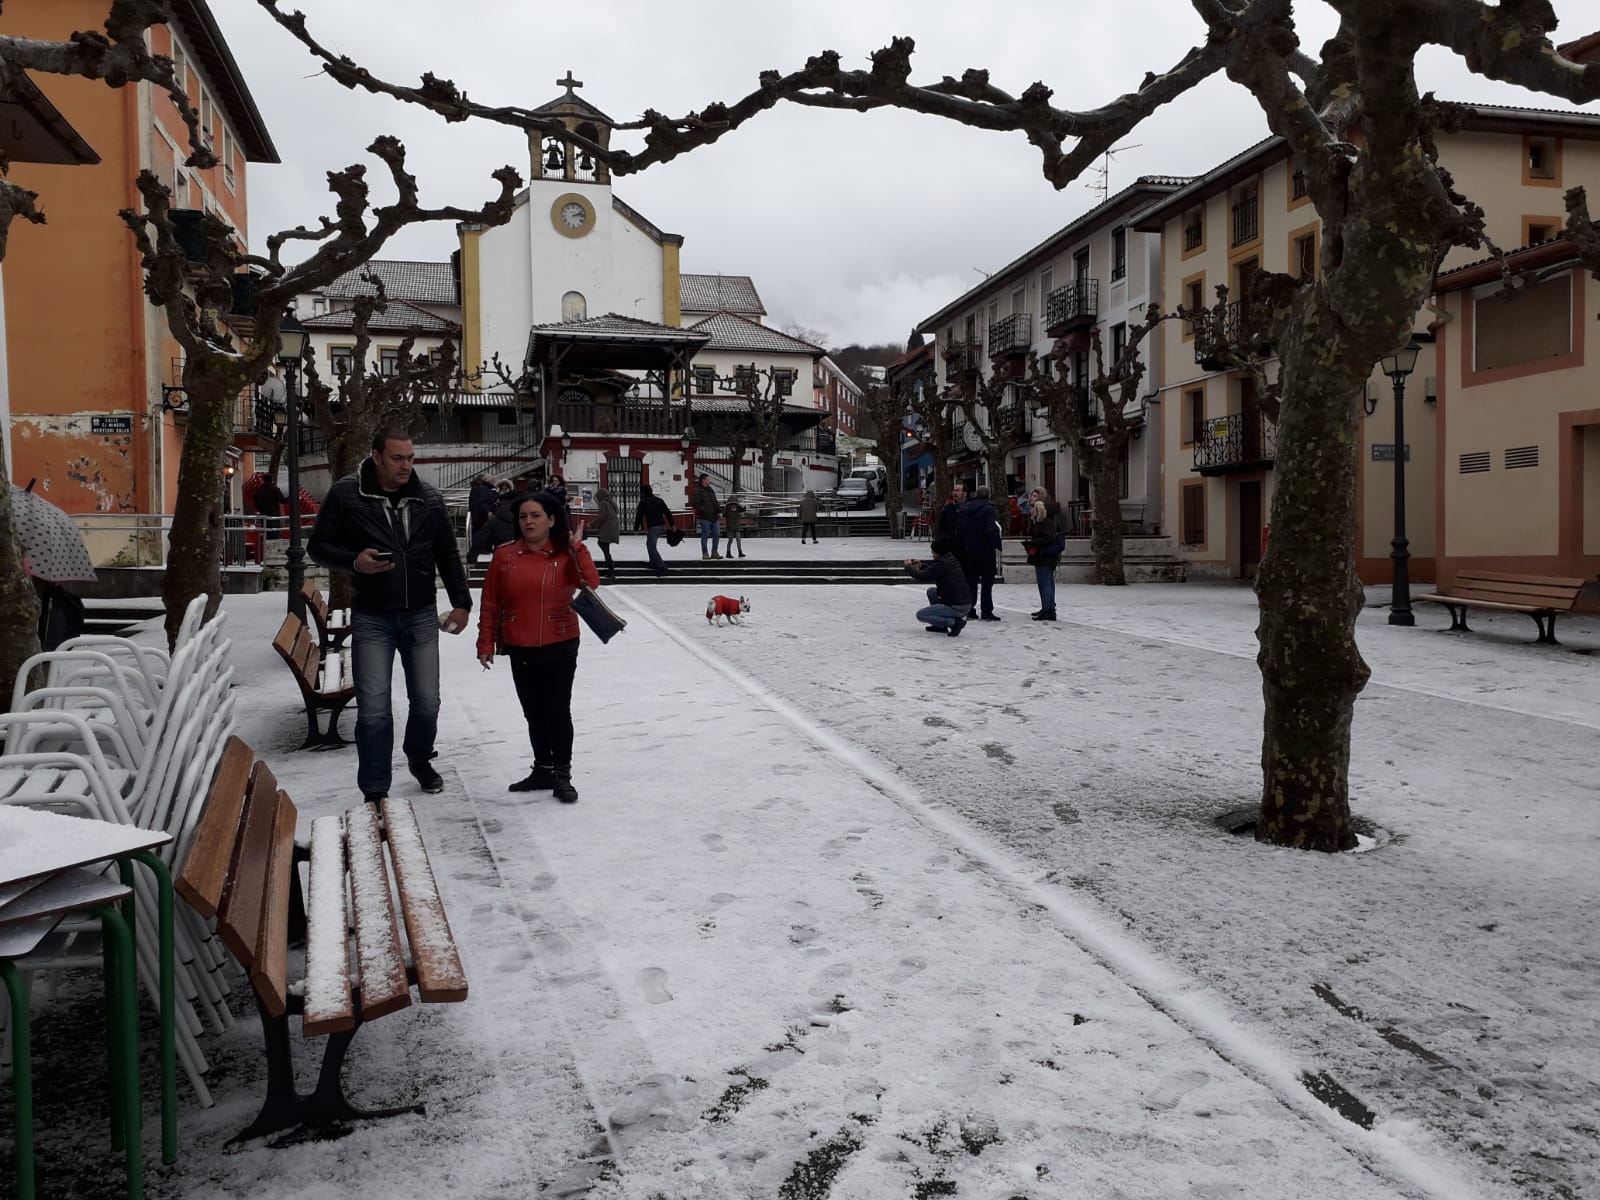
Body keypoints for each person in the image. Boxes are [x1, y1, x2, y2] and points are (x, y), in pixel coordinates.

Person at [308, 427, 472, 804]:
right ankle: (375, 788)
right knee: (374, 708)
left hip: (421, 615)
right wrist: (354, 562)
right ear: (377, 456)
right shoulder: (347, 494)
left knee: (428, 700)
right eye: (398, 458)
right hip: (372, 617)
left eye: (411, 458)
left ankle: (419, 758)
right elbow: (318, 546)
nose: (406, 465)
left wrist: (462, 603)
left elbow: (447, 554)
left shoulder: (428, 498)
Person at [476, 491, 599, 803]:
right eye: (523, 517)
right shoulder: (504, 556)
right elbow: (490, 602)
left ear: (551, 520)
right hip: (520, 643)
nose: (528, 522)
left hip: (561, 641)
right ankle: (542, 768)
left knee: (558, 710)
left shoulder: (565, 553)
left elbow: (591, 583)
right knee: (533, 711)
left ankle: (562, 774)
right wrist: (485, 641)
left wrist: (577, 547)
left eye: (535, 516)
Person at [903, 537, 973, 636]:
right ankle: (939, 626)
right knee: (932, 591)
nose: (932, 554)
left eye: (933, 552)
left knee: (921, 615)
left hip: (956, 606)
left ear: (938, 552)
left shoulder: (942, 564)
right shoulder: (950, 559)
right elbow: (934, 572)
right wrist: (921, 566)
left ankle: (953, 623)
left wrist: (908, 566)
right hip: (964, 603)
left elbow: (921, 576)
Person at [956, 484, 1003, 621]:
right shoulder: (988, 509)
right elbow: (990, 529)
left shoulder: (965, 508)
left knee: (971, 580)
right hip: (985, 550)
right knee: (987, 582)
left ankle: (970, 609)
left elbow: (959, 530)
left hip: (969, 549)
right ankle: (987, 610)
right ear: (988, 496)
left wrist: (962, 546)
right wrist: (997, 544)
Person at [1024, 488, 1068, 621]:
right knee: (1046, 583)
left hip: (1044, 554)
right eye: (1031, 495)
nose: (1031, 498)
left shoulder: (1045, 518)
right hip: (1042, 554)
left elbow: (1045, 537)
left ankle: (1048, 610)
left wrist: (1032, 544)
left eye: (1035, 496)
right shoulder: (1037, 516)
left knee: (1045, 583)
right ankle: (1047, 608)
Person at [634, 483, 672, 575]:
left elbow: (639, 516)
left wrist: (636, 527)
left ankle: (661, 566)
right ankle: (652, 562)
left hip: (653, 527)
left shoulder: (643, 502)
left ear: (643, 493)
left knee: (652, 547)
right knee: (649, 544)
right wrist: (672, 524)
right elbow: (667, 512)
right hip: (662, 526)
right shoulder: (659, 500)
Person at [593, 485, 620, 580]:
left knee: (603, 545)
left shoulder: (603, 503)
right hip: (612, 528)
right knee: (604, 546)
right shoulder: (611, 502)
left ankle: (611, 568)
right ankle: (610, 566)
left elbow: (601, 517)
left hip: (607, 529)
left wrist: (592, 524)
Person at [692, 474, 722, 559]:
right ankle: (705, 553)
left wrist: (719, 511)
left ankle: (714, 552)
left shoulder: (710, 490)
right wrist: (704, 509)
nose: (709, 481)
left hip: (714, 516)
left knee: (717, 534)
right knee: (705, 535)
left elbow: (715, 501)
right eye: (708, 479)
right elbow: (695, 503)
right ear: (703, 480)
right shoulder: (697, 490)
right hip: (704, 517)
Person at [467, 474, 497, 546]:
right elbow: (482, 502)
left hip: (479, 516)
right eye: (493, 480)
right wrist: (488, 511)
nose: (495, 482)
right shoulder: (484, 489)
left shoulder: (484, 489)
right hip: (482, 516)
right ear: (489, 481)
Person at [253, 475, 286, 540]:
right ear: (271, 479)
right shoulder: (274, 489)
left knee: (266, 536)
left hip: (264, 516)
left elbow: (256, 504)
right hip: (274, 516)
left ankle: (266, 548)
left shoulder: (259, 490)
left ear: (263, 480)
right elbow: (283, 500)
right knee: (274, 536)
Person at [723, 494, 746, 558]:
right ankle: (728, 553)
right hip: (730, 528)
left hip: (736, 527)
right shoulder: (727, 510)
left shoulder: (738, 509)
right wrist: (725, 507)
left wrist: (743, 506)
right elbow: (723, 514)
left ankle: (740, 552)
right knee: (730, 540)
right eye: (732, 504)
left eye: (734, 504)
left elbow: (743, 509)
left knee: (738, 540)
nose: (733, 505)